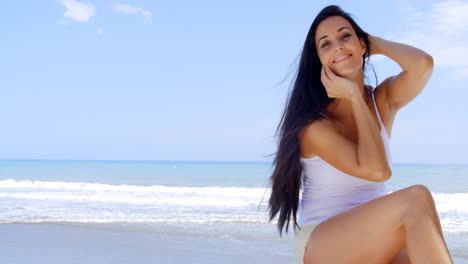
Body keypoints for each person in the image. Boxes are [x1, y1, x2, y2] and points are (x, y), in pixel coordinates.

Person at [268, 5, 453, 264]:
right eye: (326, 44)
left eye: (345, 36)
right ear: (319, 61)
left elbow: (423, 64)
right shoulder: (314, 127)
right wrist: (354, 95)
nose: (338, 47)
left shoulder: (382, 100)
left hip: (375, 234)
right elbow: (378, 171)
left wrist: (372, 42)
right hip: (324, 242)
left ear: (362, 45)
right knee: (416, 200)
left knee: (422, 252)